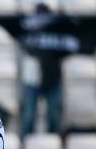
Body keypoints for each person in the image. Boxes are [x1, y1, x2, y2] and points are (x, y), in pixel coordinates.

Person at [20, 3, 63, 137]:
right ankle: (26, 141)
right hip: (33, 78)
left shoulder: (56, 34)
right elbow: (29, 49)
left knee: (54, 113)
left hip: (52, 77)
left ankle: (53, 140)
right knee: (29, 113)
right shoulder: (29, 34)